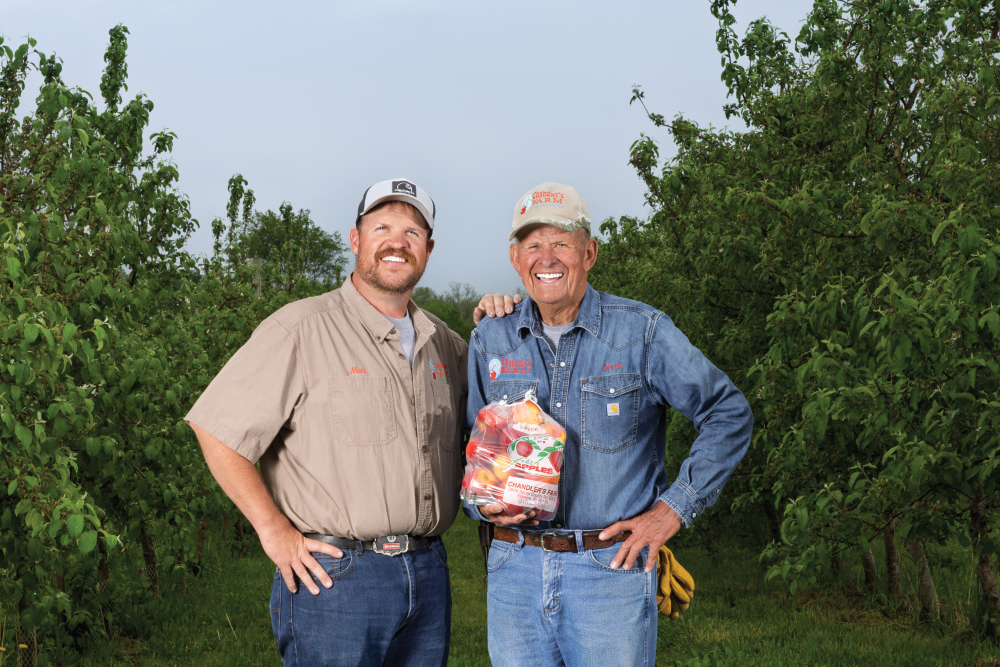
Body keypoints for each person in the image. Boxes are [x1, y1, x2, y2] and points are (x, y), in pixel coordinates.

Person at [463, 182, 753, 666]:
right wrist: (482, 505)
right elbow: (469, 446)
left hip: (609, 571)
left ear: (589, 252)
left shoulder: (641, 332)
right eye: (533, 245)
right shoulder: (490, 339)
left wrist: (670, 512)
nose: (546, 257)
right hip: (512, 570)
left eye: (561, 242)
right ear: (516, 259)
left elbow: (728, 413)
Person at [186, 178, 467, 667]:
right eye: (381, 226)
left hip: (428, 571)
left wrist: (506, 315)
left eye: (412, 231)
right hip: (338, 578)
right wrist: (273, 530)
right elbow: (215, 429)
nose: (397, 241)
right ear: (355, 240)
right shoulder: (300, 328)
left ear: (428, 249)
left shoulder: (445, 344)